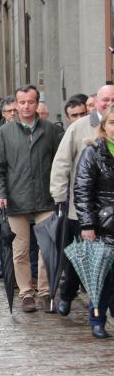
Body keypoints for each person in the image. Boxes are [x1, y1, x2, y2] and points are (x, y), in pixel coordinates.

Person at [0, 85, 64, 312]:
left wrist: (60, 192)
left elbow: (60, 164)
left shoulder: (51, 131)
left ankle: (46, 292)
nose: (26, 106)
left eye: (30, 102)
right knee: (19, 250)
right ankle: (26, 293)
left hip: (46, 198)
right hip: (16, 201)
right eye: (22, 102)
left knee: (47, 248)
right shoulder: (5, 133)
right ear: (15, 105)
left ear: (37, 104)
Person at [50, 85, 114, 318]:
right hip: (83, 208)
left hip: (109, 211)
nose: (108, 103)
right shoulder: (79, 128)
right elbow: (63, 163)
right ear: (96, 101)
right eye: (105, 99)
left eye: (112, 99)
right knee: (82, 258)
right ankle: (67, 294)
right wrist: (59, 197)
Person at [73, 106, 114, 338]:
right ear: (104, 126)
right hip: (103, 224)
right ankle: (97, 320)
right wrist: (87, 225)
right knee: (101, 277)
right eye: (112, 123)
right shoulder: (93, 152)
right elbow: (82, 190)